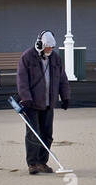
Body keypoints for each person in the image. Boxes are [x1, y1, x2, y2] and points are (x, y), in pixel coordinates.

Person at [16, 31, 70, 175]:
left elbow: (62, 79)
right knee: (34, 134)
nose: (50, 50)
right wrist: (25, 98)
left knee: (47, 134)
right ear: (40, 45)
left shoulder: (56, 59)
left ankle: (42, 162)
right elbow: (22, 80)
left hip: (48, 103)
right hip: (31, 104)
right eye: (48, 48)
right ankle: (33, 163)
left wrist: (65, 97)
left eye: (52, 48)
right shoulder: (27, 57)